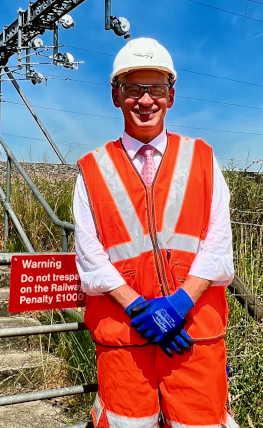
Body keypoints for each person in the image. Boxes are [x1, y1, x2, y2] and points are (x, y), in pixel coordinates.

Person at [73, 37, 236, 428]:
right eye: (133, 89)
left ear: (171, 95)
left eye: (156, 89)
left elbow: (217, 245)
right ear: (116, 95)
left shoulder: (202, 159)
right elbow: (90, 255)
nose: (145, 101)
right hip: (125, 338)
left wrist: (178, 306)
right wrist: (138, 309)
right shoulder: (91, 170)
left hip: (193, 335)